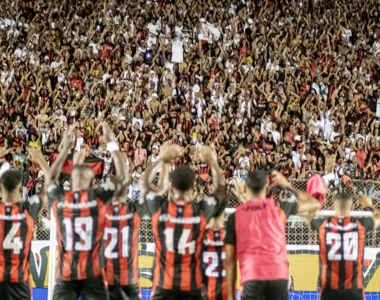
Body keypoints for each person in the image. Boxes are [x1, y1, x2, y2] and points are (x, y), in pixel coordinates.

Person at [33, 123, 125, 300]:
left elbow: (50, 178)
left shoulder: (61, 199)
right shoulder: (97, 198)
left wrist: (65, 149)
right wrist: (112, 143)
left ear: (70, 182)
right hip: (93, 272)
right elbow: (121, 177)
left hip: (66, 272)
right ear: (93, 185)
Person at [140, 143, 226, 300]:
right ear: (193, 188)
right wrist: (213, 161)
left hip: (163, 287)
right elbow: (220, 190)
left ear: (171, 188)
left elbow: (144, 184)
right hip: (192, 288)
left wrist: (163, 159)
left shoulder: (161, 211)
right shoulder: (200, 212)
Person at [225, 170, 294, 300]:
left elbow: (230, 262)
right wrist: (287, 185)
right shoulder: (279, 209)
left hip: (252, 277)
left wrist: (230, 296)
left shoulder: (236, 216)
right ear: (267, 189)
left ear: (246, 188)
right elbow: (313, 203)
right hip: (278, 277)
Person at [308, 193, 380, 300]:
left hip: (329, 292)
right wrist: (369, 205)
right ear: (352, 207)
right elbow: (378, 216)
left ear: (333, 206)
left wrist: (316, 208)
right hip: (354, 292)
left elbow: (308, 218)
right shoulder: (361, 225)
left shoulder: (323, 224)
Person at [103, 156, 146, 300]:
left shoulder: (100, 211)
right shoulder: (132, 211)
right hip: (128, 277)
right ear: (126, 191)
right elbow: (150, 192)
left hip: (105, 278)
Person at [0, 163, 43, 300]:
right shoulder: (28, 209)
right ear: (20, 189)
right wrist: (41, 161)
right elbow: (50, 187)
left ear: (1, 190)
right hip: (20, 283)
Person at [202, 205, 228, 300]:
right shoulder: (232, 235)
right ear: (224, 215)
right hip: (226, 291)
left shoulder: (200, 235)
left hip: (208, 290)